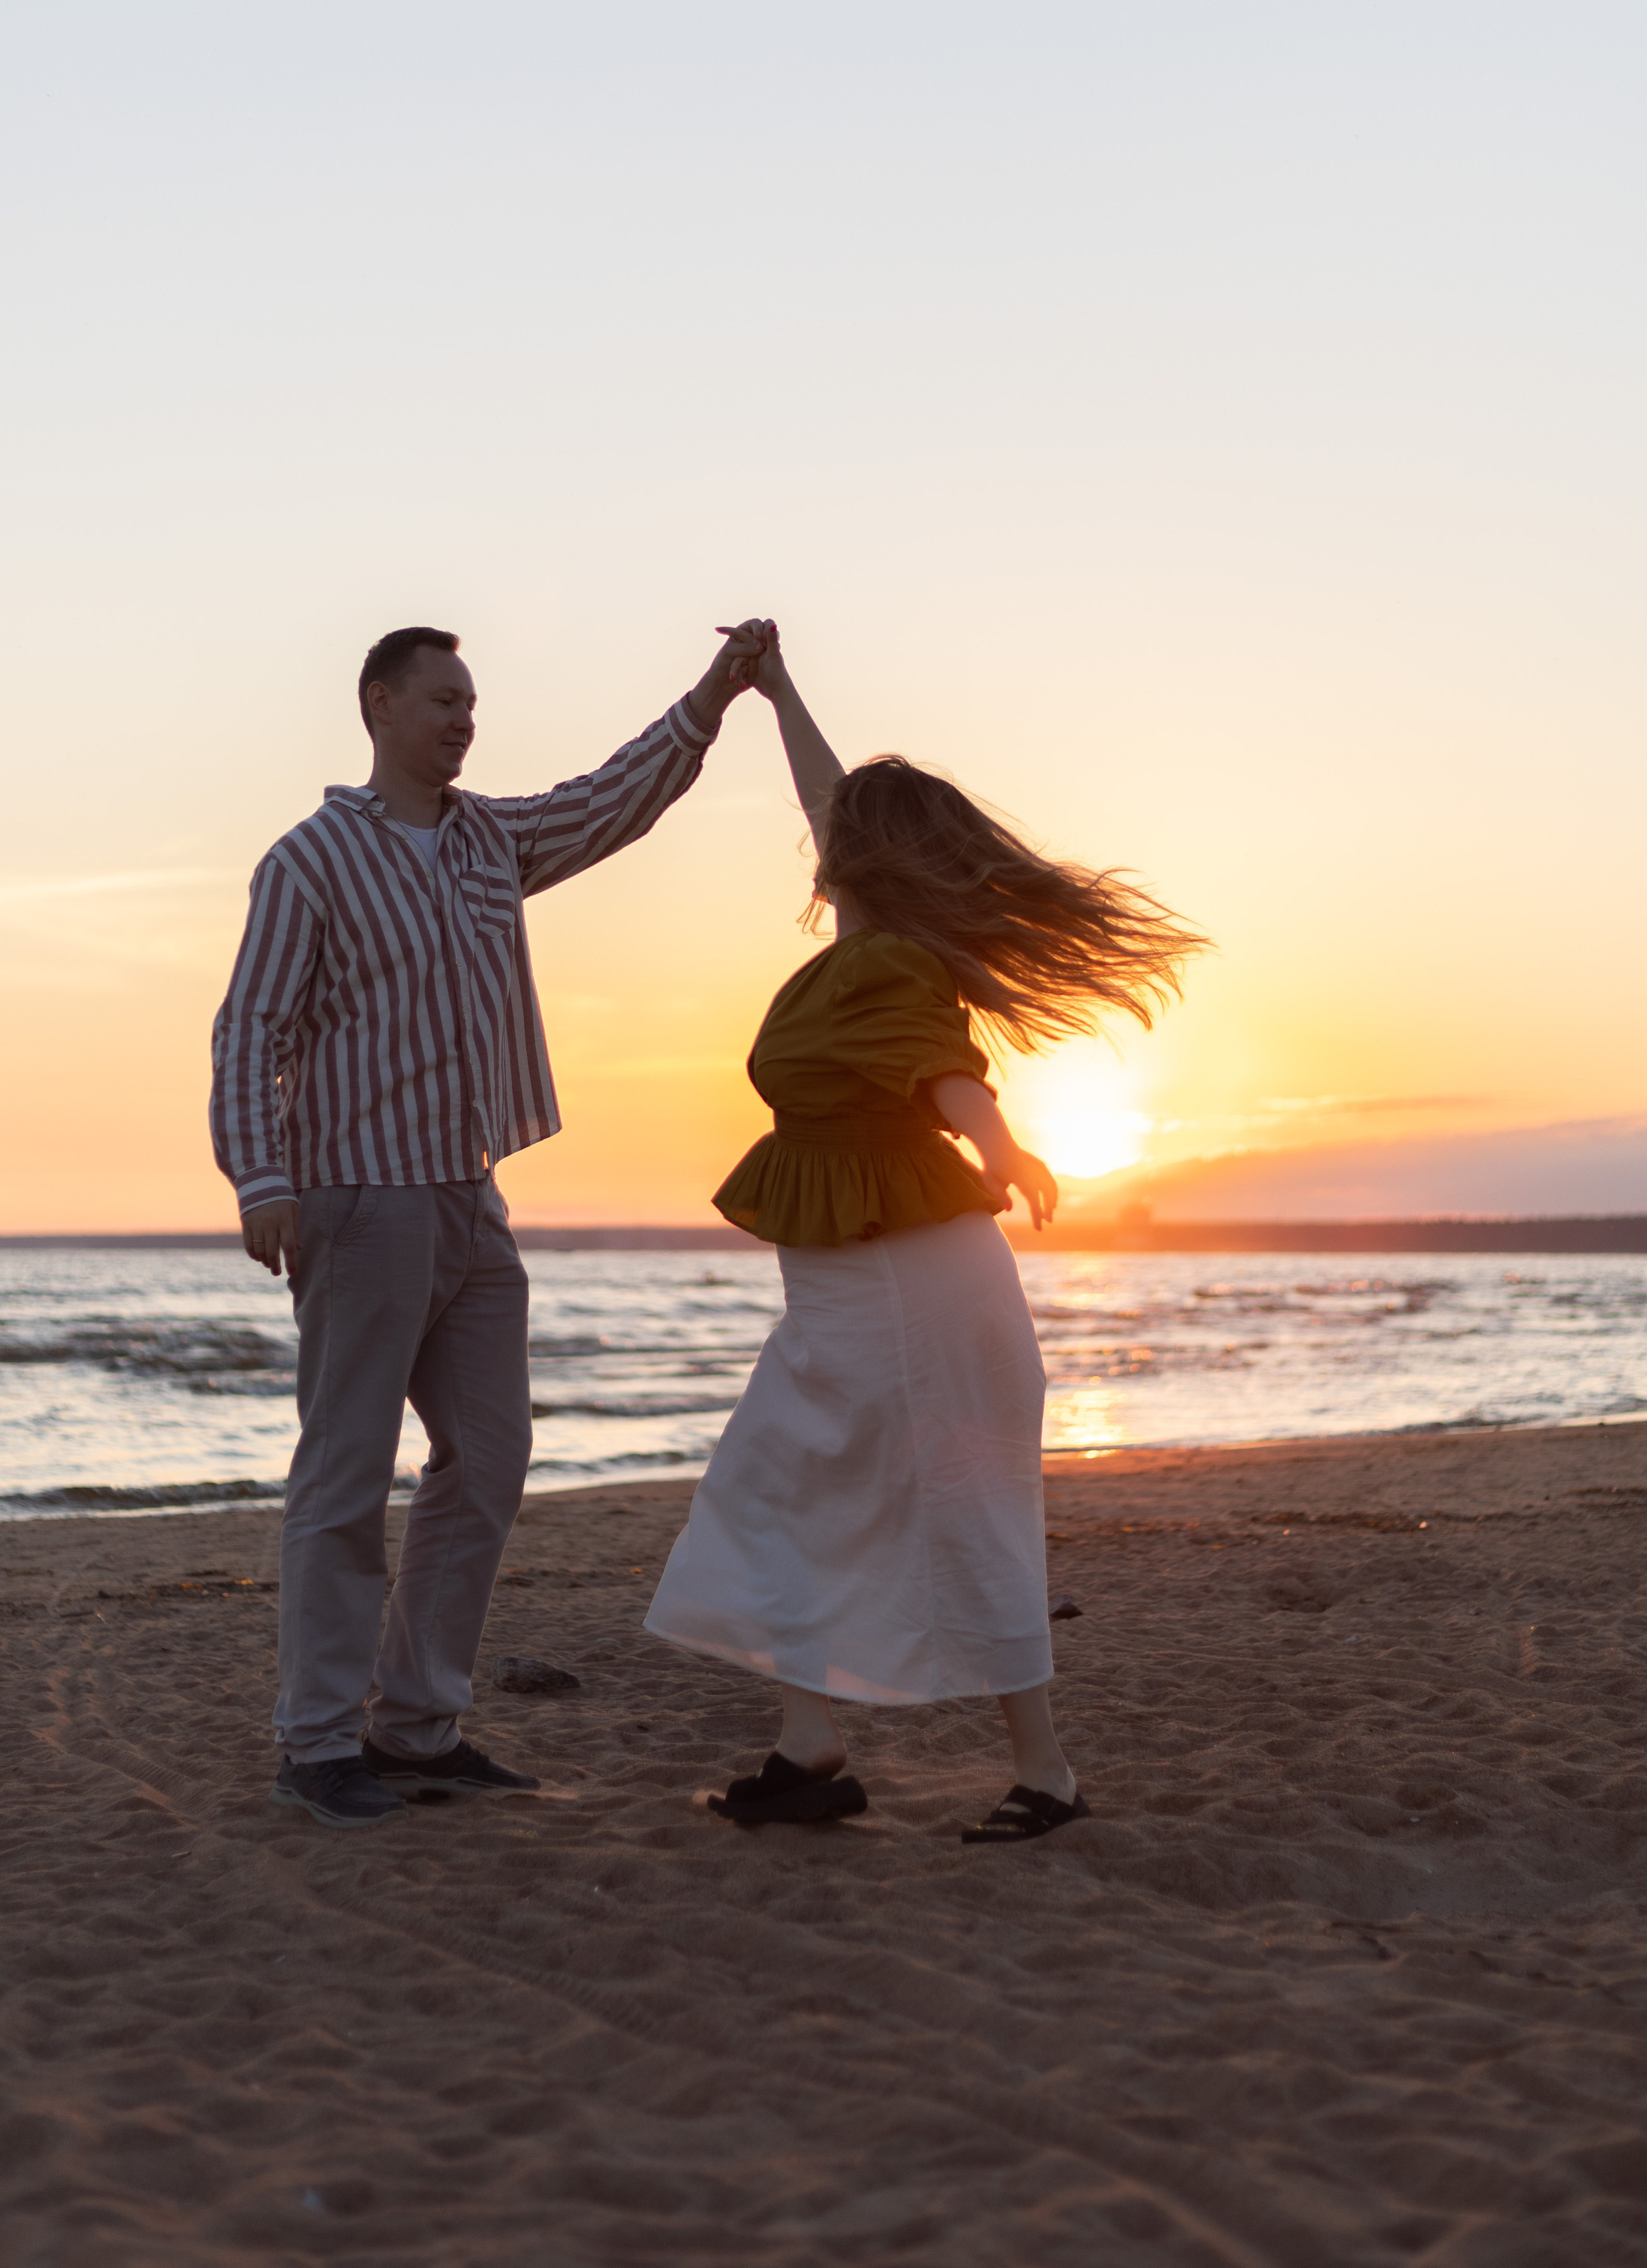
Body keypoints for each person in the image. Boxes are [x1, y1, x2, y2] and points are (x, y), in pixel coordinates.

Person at [212, 617, 773, 1830]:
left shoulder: (490, 842)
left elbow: (611, 802)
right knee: (345, 1475)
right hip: (361, 1202)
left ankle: (417, 1724)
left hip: (471, 1199)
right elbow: (248, 1029)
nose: (464, 718)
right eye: (442, 700)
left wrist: (714, 696)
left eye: (471, 701)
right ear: (378, 709)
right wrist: (261, 1181)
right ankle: (315, 1744)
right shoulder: (310, 861)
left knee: (492, 1457)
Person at [645, 635, 1201, 1843]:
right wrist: (776, 693)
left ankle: (1045, 1775)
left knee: (960, 1514)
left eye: (840, 830)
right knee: (772, 1491)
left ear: (860, 859)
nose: (818, 832)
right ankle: (811, 1747)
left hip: (917, 1294)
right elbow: (824, 792)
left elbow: (946, 1073)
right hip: (851, 1300)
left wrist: (1001, 1148)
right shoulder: (854, 945)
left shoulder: (890, 964)